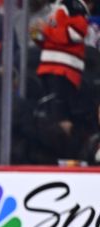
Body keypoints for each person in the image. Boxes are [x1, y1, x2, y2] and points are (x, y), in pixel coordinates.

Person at [32, 0, 90, 136]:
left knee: (60, 116)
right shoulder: (56, 8)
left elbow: (75, 33)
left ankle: (66, 150)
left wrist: (46, 30)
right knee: (48, 115)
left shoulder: (74, 6)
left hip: (63, 72)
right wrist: (36, 33)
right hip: (47, 69)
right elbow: (47, 41)